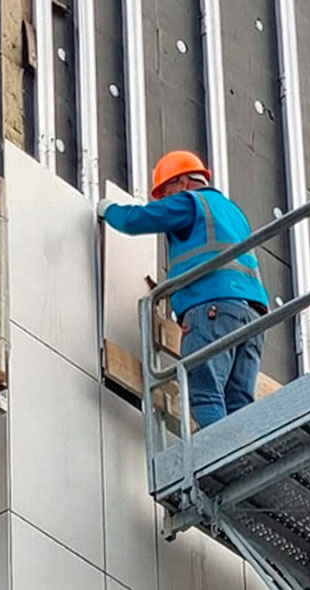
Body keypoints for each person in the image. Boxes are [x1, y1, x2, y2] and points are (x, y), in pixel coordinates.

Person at [96, 150, 270, 428]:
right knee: (238, 404)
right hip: (253, 318)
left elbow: (135, 220)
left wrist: (108, 210)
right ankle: (242, 458)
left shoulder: (191, 202)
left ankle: (224, 464)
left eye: (166, 192)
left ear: (184, 182)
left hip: (212, 310)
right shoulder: (233, 212)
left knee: (204, 395)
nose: (165, 200)